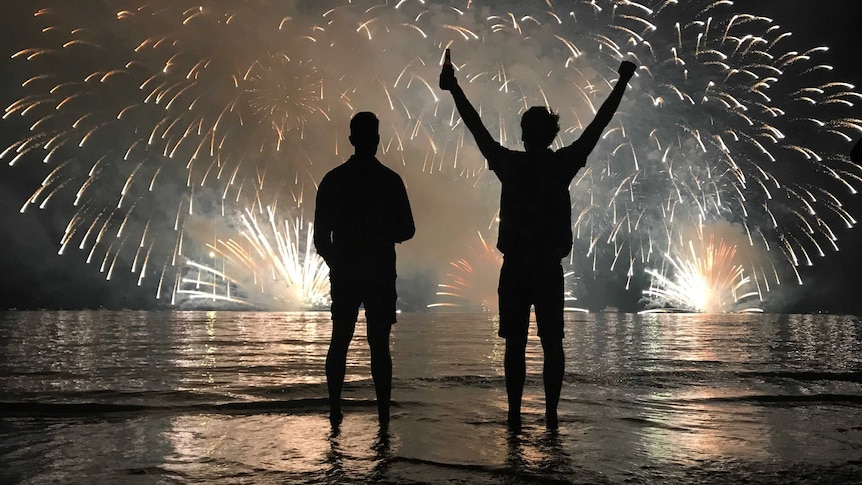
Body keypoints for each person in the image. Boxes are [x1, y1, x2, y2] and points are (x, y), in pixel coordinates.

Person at [439, 51, 636, 429]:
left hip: (517, 270)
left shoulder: (510, 165)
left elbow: (476, 126)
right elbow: (598, 125)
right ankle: (550, 415)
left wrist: (454, 89)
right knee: (551, 345)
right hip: (546, 270)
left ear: (525, 134)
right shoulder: (560, 166)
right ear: (550, 135)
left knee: (517, 345)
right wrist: (622, 84)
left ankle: (516, 415)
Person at [313, 111, 415, 428]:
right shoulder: (390, 180)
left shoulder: (333, 180)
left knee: (339, 340)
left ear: (352, 139)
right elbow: (408, 229)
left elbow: (320, 237)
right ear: (377, 140)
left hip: (345, 273)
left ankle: (334, 409)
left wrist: (337, 263)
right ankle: (383, 415)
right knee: (380, 345)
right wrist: (385, 235)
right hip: (381, 272)